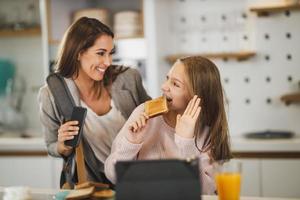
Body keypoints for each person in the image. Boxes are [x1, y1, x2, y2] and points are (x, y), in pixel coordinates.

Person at [38, 17, 150, 186]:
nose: (108, 62)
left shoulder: (128, 79)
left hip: (136, 181)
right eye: (100, 53)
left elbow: (155, 121)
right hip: (91, 186)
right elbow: (51, 145)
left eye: (110, 53)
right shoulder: (52, 94)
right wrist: (63, 146)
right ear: (78, 53)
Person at [104, 56, 232, 194]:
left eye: (175, 84)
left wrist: (186, 143)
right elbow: (112, 175)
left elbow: (205, 192)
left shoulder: (207, 132)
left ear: (196, 95)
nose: (164, 87)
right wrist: (131, 144)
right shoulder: (144, 112)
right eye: (167, 78)